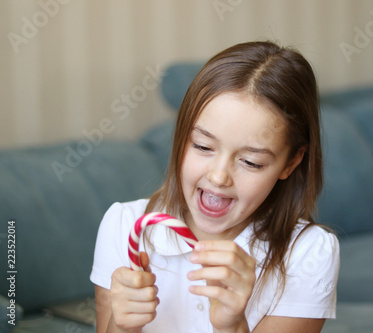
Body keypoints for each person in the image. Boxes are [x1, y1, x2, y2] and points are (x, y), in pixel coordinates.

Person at [90, 41, 340, 333]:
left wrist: (233, 325)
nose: (220, 176)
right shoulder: (124, 226)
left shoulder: (309, 253)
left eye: (250, 162)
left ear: (291, 162)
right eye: (203, 146)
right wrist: (122, 327)